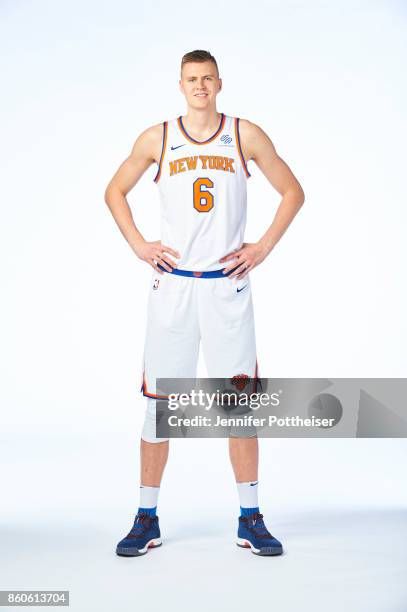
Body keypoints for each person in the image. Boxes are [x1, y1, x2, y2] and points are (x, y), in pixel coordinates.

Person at [104, 49, 304, 557]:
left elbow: (293, 192)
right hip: (173, 287)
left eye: (207, 79)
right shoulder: (158, 137)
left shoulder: (245, 133)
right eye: (192, 79)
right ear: (180, 85)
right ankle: (146, 518)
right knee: (160, 409)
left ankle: (250, 518)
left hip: (225, 286)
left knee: (239, 409)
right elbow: (114, 191)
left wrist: (261, 247)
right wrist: (139, 245)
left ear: (219, 83)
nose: (200, 87)